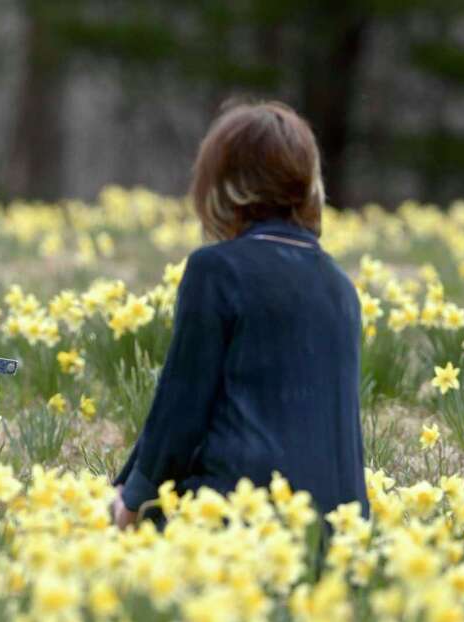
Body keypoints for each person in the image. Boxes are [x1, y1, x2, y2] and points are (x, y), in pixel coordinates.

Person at [110, 100, 369, 529]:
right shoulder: (340, 286)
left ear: (222, 184)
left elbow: (181, 410)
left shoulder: (216, 271)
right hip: (336, 535)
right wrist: (128, 482)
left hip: (244, 520)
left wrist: (131, 501)